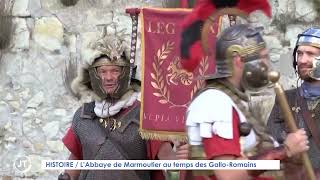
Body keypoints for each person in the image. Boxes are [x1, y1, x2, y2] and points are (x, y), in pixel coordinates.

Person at [58, 30, 188, 180]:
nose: (108, 77)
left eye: (115, 71)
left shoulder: (145, 115)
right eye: (103, 71)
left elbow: (169, 162)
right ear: (95, 75)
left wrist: (183, 160)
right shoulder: (84, 116)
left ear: (125, 74)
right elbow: (76, 160)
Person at [185, 24, 310, 180]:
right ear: (238, 60)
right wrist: (285, 150)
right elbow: (228, 174)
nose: (267, 64)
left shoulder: (233, 100)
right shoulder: (215, 103)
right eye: (262, 57)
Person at [267, 27, 320, 179]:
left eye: (310, 54)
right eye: (299, 53)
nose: (302, 60)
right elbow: (269, 139)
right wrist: (288, 140)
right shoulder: (286, 99)